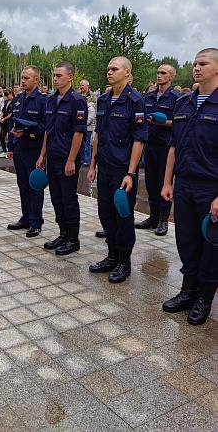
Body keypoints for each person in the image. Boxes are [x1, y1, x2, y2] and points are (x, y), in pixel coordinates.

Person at [161, 48, 218, 325]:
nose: (196, 67)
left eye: (203, 63)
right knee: (186, 239)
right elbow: (173, 145)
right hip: (183, 184)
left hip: (211, 188)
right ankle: (187, 291)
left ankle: (204, 298)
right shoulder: (183, 103)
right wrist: (167, 181)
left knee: (211, 245)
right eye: (195, 63)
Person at [87, 57, 147, 283]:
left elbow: (139, 140)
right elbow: (98, 135)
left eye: (114, 69)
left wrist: (131, 173)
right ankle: (111, 255)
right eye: (108, 69)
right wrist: (92, 165)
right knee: (106, 213)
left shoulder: (135, 101)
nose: (109, 72)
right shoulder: (103, 100)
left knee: (123, 215)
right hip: (104, 167)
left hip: (123, 170)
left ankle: (124, 261)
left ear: (127, 72)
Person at [37, 62, 87, 252]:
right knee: (56, 197)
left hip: (68, 158)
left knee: (68, 198)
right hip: (53, 156)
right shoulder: (51, 100)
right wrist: (42, 155)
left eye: (59, 75)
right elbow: (48, 131)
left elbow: (78, 133)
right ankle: (63, 234)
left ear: (70, 77)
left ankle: (73, 240)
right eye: (54, 75)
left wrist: (71, 160)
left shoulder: (77, 101)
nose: (55, 78)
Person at [135, 65, 180, 235]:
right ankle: (153, 217)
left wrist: (163, 123)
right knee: (151, 182)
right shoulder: (149, 96)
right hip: (150, 144)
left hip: (166, 146)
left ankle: (163, 220)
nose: (159, 75)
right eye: (158, 72)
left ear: (172, 76)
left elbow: (179, 122)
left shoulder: (176, 98)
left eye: (163, 73)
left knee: (164, 182)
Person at [7, 66, 47, 238]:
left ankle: (36, 222)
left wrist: (28, 133)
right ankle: (26, 218)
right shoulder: (18, 99)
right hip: (19, 149)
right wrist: (10, 146)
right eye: (22, 78)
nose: (22, 81)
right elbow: (12, 123)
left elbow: (45, 127)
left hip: (34, 149)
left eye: (26, 78)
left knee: (34, 187)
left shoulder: (43, 100)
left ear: (36, 80)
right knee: (23, 186)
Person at [0, 89, 14, 158]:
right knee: (2, 136)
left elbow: (11, 113)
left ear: (11, 94)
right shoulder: (6, 102)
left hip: (10, 122)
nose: (5, 97)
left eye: (7, 95)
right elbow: (3, 110)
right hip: (4, 122)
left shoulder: (14, 102)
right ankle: (4, 150)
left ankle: (10, 150)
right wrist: (1, 117)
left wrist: (5, 118)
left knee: (10, 137)